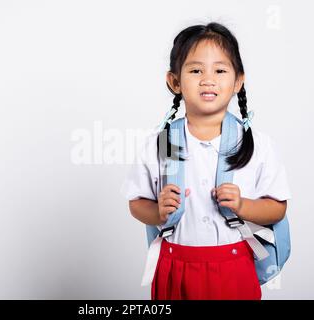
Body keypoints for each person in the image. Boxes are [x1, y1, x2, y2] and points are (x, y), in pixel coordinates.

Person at [120, 22, 292, 300]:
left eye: (220, 70)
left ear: (238, 81)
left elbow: (277, 209)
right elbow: (136, 203)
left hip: (234, 269)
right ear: (174, 82)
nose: (208, 79)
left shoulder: (257, 145)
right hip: (175, 268)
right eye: (196, 70)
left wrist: (242, 205)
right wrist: (158, 213)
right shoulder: (161, 143)